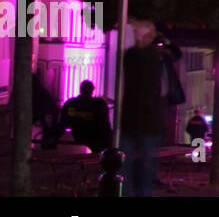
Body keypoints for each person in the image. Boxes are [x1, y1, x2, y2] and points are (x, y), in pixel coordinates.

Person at [121, 19, 167, 196]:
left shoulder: (145, 57)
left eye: (137, 32)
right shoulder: (143, 56)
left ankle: (135, 192)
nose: (135, 35)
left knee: (135, 163)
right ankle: (137, 192)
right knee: (142, 164)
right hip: (143, 119)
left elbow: (146, 89)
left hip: (141, 119)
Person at [57, 81, 112, 154]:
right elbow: (105, 126)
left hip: (80, 139)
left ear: (80, 89)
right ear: (92, 91)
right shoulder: (99, 104)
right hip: (97, 141)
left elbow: (62, 123)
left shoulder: (71, 103)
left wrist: (54, 137)